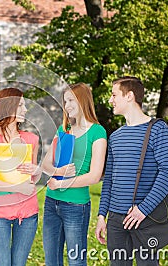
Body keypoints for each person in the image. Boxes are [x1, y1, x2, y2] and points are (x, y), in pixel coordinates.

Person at [95, 76, 168, 265]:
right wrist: (101, 216)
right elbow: (109, 180)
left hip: (144, 218)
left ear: (129, 96)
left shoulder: (158, 129)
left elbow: (167, 173)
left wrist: (143, 210)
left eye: (114, 95)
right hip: (115, 220)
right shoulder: (115, 136)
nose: (110, 100)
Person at [41, 83, 107, 266]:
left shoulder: (97, 132)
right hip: (51, 203)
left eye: (71, 100)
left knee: (76, 260)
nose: (67, 105)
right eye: (65, 101)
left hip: (76, 206)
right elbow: (46, 163)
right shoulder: (64, 129)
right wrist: (58, 172)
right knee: (51, 261)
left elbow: (94, 176)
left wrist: (61, 183)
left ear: (83, 100)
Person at [0, 88, 41, 266]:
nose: (25, 109)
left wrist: (37, 171)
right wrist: (16, 188)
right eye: (20, 105)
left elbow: (32, 178)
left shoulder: (31, 139)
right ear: (7, 107)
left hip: (27, 212)